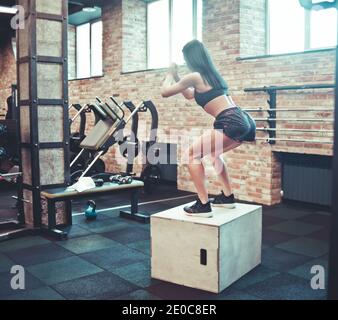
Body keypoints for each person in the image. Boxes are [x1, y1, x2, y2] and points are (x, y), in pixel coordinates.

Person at [161, 40, 256, 218]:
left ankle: (203, 204)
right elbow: (189, 95)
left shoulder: (195, 76)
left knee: (191, 155)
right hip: (244, 121)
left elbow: (164, 92)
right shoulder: (212, 75)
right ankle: (228, 197)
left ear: (191, 58)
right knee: (213, 154)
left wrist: (169, 73)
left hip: (230, 121)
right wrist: (177, 77)